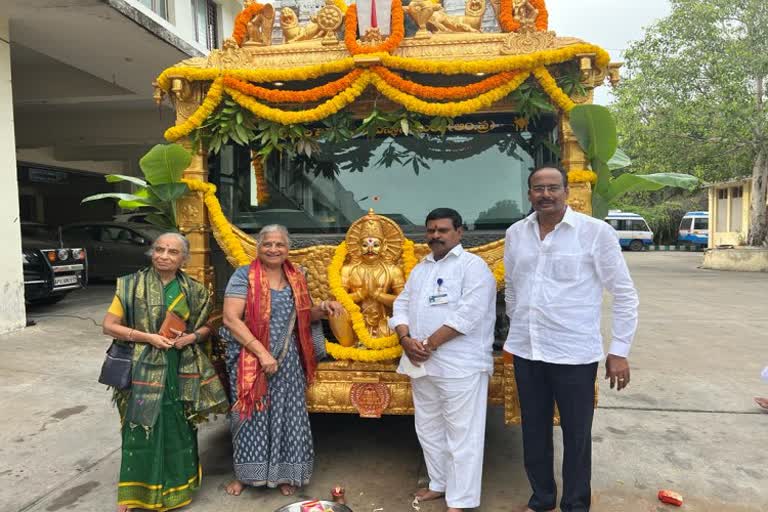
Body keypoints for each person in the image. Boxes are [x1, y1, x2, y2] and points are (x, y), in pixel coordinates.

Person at [504, 166, 639, 512]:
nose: (545, 194)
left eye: (552, 187)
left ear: (566, 191)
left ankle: (575, 505)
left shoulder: (595, 233)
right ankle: (542, 499)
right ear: (529, 192)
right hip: (527, 351)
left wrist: (619, 351)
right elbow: (514, 289)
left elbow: (623, 294)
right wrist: (516, 330)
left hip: (574, 355)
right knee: (533, 431)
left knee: (577, 436)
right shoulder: (516, 233)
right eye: (538, 188)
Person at [102, 232, 228, 512]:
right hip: (140, 369)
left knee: (178, 427)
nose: (163, 256)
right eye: (159, 249)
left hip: (179, 369)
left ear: (184, 258)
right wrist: (148, 337)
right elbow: (109, 325)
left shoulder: (195, 291)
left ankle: (177, 490)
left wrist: (191, 338)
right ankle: (132, 494)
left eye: (172, 252)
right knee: (139, 428)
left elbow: (209, 326)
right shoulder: (131, 285)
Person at [220, 224, 343, 497]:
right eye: (267, 244)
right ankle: (245, 475)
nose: (273, 249)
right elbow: (230, 319)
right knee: (249, 415)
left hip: (288, 361)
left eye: (279, 245)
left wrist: (322, 309)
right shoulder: (244, 276)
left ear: (288, 249)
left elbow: (302, 316)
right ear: (258, 247)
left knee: (287, 416)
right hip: (250, 359)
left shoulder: (296, 277)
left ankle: (285, 474)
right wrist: (262, 354)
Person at [390, 208, 497, 512]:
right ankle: (439, 484)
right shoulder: (421, 268)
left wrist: (428, 344)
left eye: (443, 230)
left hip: (460, 366)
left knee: (463, 434)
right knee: (428, 428)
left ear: (459, 232)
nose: (435, 235)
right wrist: (405, 339)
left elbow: (469, 315)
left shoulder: (473, 267)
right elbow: (402, 304)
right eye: (431, 230)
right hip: (421, 362)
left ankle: (461, 500)